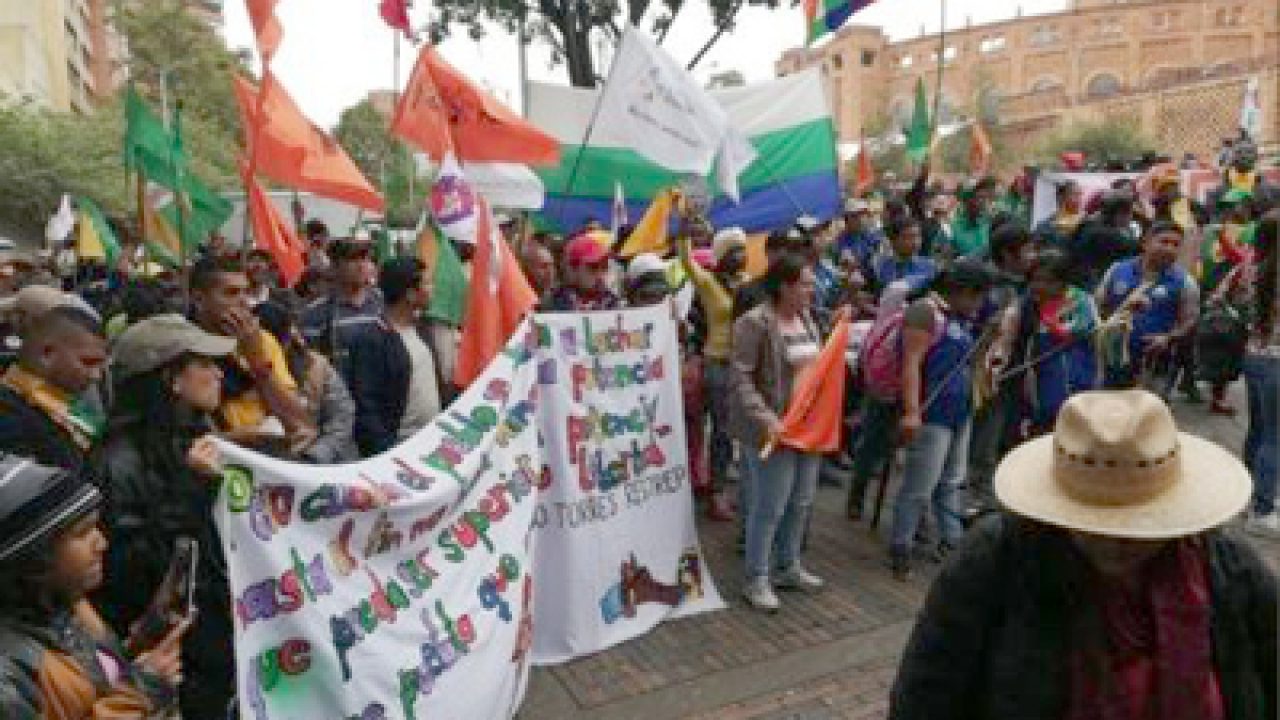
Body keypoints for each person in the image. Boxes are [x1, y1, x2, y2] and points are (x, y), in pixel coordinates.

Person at [889, 389, 1277, 720]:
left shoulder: (1230, 572)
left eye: (1137, 526)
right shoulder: (998, 558)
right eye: (1095, 525)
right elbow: (925, 693)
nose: (1115, 543)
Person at [91, 314, 236, 719]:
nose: (219, 374)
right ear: (171, 379)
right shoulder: (118, 462)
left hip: (208, 642)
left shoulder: (191, 443)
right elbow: (129, 570)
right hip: (166, 657)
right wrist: (191, 489)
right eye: (204, 364)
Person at [0, 455, 188, 718]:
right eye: (82, 532)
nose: (102, 543)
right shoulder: (8, 676)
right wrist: (144, 688)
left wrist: (142, 642)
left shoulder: (66, 606)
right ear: (33, 560)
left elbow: (96, 684)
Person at [888, 259, 1000, 579]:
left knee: (951, 482)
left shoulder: (960, 317)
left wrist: (987, 339)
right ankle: (901, 548)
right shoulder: (924, 313)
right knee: (919, 488)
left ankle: (953, 544)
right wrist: (912, 412)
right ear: (963, 291)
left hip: (959, 410)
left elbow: (968, 361)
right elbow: (911, 363)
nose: (980, 304)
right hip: (932, 413)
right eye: (978, 296)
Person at [730, 253, 827, 611]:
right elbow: (741, 378)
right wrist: (767, 419)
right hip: (773, 431)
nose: (812, 290)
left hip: (807, 430)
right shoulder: (754, 322)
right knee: (769, 506)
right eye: (805, 284)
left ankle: (788, 566)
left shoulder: (807, 317)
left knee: (801, 501)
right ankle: (756, 578)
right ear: (784, 286)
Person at [188, 255, 312, 448]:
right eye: (231, 293)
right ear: (199, 299)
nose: (244, 303)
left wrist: (256, 359)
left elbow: (298, 422)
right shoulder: (182, 347)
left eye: (245, 292)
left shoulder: (262, 340)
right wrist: (237, 439)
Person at [679, 227, 748, 522]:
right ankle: (709, 490)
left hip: (738, 365)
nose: (741, 256)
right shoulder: (708, 283)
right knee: (715, 429)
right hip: (715, 364)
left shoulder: (746, 284)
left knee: (725, 431)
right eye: (734, 251)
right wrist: (684, 230)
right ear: (721, 256)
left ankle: (716, 487)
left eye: (743, 250)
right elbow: (686, 261)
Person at [995, 248, 1100, 434]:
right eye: (1036, 279)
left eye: (1048, 281)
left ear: (1064, 282)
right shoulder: (1025, 306)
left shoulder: (1083, 302)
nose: (1040, 286)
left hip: (1081, 390)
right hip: (1040, 396)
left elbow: (1086, 335)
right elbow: (1006, 340)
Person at [348, 257, 442, 457]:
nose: (433, 289)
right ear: (410, 294)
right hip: (398, 452)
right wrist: (386, 454)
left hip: (430, 446)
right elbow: (367, 407)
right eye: (427, 283)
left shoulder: (423, 330)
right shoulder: (371, 341)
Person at [0, 305, 106, 471]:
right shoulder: (9, 419)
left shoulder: (64, 400)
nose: (96, 375)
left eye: (100, 365)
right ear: (47, 354)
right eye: (88, 363)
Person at [1096, 222, 1199, 390]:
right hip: (1112, 361)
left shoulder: (1185, 282)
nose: (1170, 249)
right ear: (1145, 243)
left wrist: (1167, 338)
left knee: (1149, 406)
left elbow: (1189, 321)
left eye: (1176, 245)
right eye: (1164, 242)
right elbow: (1098, 306)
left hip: (1154, 366)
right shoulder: (1117, 270)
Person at [256, 300, 358, 464]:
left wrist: (315, 455)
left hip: (317, 459)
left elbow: (342, 415)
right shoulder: (245, 370)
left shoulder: (317, 366)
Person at [1242, 210, 1279, 534]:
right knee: (1274, 437)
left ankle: (1250, 497)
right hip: (1277, 361)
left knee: (1258, 430)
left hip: (1254, 356)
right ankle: (1263, 510)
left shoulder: (1251, 268)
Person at [300, 238, 384, 379]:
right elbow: (310, 365)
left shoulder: (383, 304)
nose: (361, 266)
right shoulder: (315, 313)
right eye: (353, 259)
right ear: (334, 267)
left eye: (365, 258)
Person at [1068, 190, 1139, 290]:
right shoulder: (1113, 237)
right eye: (1131, 213)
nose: (1132, 217)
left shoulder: (1087, 223)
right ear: (1120, 214)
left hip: (1074, 281)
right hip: (1091, 286)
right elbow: (1133, 254)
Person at [546, 234, 622, 312]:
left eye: (604, 267)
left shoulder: (614, 304)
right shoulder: (551, 304)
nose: (600, 275)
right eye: (593, 267)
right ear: (573, 269)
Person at [871, 216, 938, 291]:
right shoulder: (883, 267)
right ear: (893, 241)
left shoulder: (928, 265)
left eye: (918, 236)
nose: (915, 242)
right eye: (908, 237)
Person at [946, 178, 996, 258]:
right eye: (979, 197)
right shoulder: (950, 228)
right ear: (967, 200)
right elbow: (943, 261)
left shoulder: (989, 224)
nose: (983, 202)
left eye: (985, 198)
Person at [1032, 180, 1084, 250]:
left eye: (1080, 195)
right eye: (1075, 195)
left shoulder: (1086, 223)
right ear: (1061, 198)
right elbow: (1036, 249)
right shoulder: (1045, 226)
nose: (1079, 199)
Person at [520, 240, 558, 306]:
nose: (550, 272)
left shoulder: (562, 299)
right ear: (527, 268)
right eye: (543, 266)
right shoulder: (519, 299)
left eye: (552, 265)